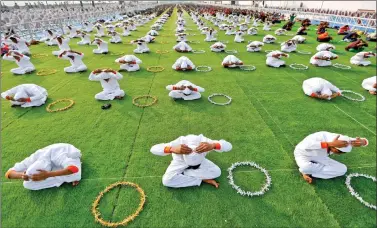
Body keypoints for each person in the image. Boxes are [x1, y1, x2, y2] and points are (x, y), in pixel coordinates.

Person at [150, 134, 232, 188]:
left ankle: (185, 173)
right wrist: (171, 149)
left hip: (201, 161)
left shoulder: (205, 143)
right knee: (167, 181)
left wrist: (213, 145)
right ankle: (201, 179)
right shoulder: (178, 143)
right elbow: (153, 149)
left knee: (217, 172)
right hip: (180, 163)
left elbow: (229, 146)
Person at [294, 131, 368, 184]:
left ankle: (310, 172)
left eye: (342, 153)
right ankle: (307, 170)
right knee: (305, 167)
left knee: (342, 169)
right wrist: (329, 144)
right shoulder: (320, 136)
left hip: (321, 157)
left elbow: (364, 142)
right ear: (334, 145)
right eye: (338, 151)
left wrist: (362, 142)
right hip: (303, 154)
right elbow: (305, 146)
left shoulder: (345, 141)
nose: (339, 154)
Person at [5, 143, 82, 190]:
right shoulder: (33, 158)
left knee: (75, 175)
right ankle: (64, 176)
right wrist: (22, 175)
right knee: (27, 184)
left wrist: (48, 175)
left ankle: (65, 175)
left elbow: (74, 169)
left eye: (37, 175)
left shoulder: (57, 154)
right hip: (52, 167)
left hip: (68, 155)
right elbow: (8, 173)